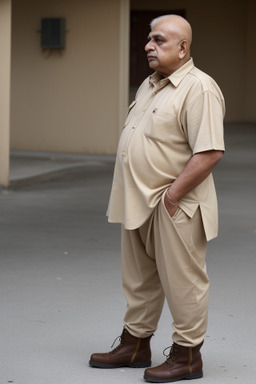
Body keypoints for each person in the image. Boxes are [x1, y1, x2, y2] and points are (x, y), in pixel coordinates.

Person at [89, 14, 225, 383]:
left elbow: (209, 151)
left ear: (183, 48)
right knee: (139, 280)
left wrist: (173, 196)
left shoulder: (200, 88)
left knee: (185, 283)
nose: (149, 45)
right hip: (138, 200)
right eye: (149, 39)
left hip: (175, 204)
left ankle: (187, 356)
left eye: (159, 40)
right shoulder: (149, 85)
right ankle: (135, 344)